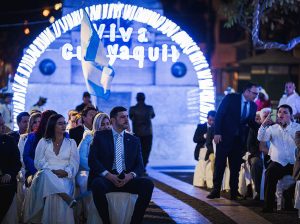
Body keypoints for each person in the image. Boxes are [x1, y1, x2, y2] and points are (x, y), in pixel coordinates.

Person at [88, 106, 154, 224]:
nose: (126, 119)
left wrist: (130, 176)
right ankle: (106, 221)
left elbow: (140, 165)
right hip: (107, 179)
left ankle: (135, 221)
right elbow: (92, 161)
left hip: (127, 179)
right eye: (122, 117)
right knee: (97, 184)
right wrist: (109, 176)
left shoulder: (134, 140)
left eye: (127, 116)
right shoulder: (100, 136)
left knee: (148, 184)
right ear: (113, 120)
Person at [23, 114, 79, 223]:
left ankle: (62, 195)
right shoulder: (43, 142)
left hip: (65, 175)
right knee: (45, 174)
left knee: (53, 182)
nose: (63, 126)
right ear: (53, 125)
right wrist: (52, 171)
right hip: (46, 174)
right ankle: (64, 196)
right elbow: (38, 162)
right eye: (60, 123)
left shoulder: (71, 143)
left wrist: (66, 172)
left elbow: (74, 163)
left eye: (64, 123)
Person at [207, 82, 259, 200]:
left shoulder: (253, 106)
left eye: (257, 94)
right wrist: (217, 132)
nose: (256, 96)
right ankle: (215, 190)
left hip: (239, 140)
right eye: (254, 93)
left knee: (235, 167)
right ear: (246, 91)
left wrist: (263, 127)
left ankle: (234, 192)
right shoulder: (231, 98)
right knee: (220, 164)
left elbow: (250, 122)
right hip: (223, 137)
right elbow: (220, 115)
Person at [257, 104, 300, 212]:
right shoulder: (272, 128)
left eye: (285, 112)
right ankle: (268, 206)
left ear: (291, 116)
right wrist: (264, 124)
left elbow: (297, 141)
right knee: (269, 172)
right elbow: (261, 137)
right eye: (279, 112)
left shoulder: (297, 127)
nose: (281, 114)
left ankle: (290, 204)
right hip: (278, 162)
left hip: (294, 163)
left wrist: (286, 127)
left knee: (295, 175)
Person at [77, 112, 111, 194]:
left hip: (108, 172)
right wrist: (100, 170)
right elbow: (81, 158)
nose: (106, 127)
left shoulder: (112, 138)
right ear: (97, 125)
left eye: (107, 124)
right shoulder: (89, 137)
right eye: (102, 124)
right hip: (88, 171)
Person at [23, 110, 57, 186]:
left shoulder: (62, 136)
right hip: (34, 171)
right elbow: (26, 156)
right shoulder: (33, 136)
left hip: (56, 171)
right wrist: (38, 171)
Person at [0, 112, 22, 223]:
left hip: (7, 185)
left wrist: (9, 173)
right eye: (0, 125)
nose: (3, 127)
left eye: (3, 124)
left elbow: (17, 162)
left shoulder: (9, 140)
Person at [247, 108, 271, 200]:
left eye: (270, 116)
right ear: (260, 119)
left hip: (273, 155)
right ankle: (259, 191)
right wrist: (261, 152)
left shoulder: (277, 127)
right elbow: (250, 146)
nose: (268, 118)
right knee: (256, 163)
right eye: (265, 116)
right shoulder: (254, 129)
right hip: (258, 154)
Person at [129, 92, 155, 173]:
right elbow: (153, 116)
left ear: (137, 99)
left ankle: (139, 166)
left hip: (137, 132)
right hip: (148, 133)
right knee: (146, 150)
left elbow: (130, 117)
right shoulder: (149, 108)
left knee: (138, 151)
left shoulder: (133, 109)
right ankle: (143, 166)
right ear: (144, 98)